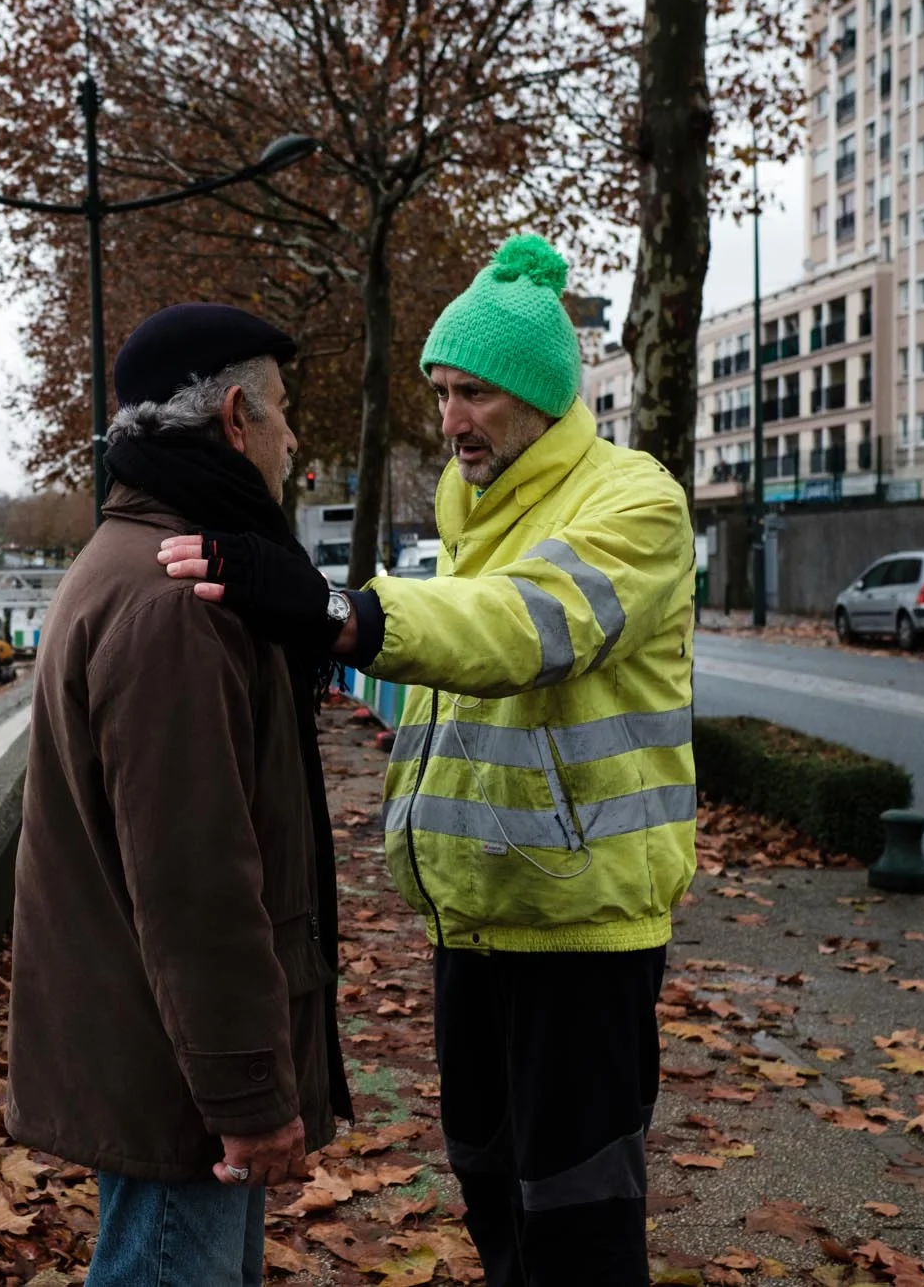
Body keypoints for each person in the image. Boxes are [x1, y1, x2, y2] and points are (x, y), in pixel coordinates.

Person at [158, 235, 696, 1287]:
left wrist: (336, 614)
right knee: (493, 1195)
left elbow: (521, 626)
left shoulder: (632, 502)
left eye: (476, 395)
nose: (451, 420)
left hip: (580, 932)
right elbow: (434, 660)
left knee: (579, 1222)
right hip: (470, 919)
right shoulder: (469, 517)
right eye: (442, 392)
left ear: (540, 398)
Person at [6, 303, 352, 1287]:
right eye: (282, 411)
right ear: (236, 418)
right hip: (179, 1084)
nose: (294, 439)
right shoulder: (173, 602)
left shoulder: (136, 562)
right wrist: (247, 1094)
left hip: (157, 1054)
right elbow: (194, 881)